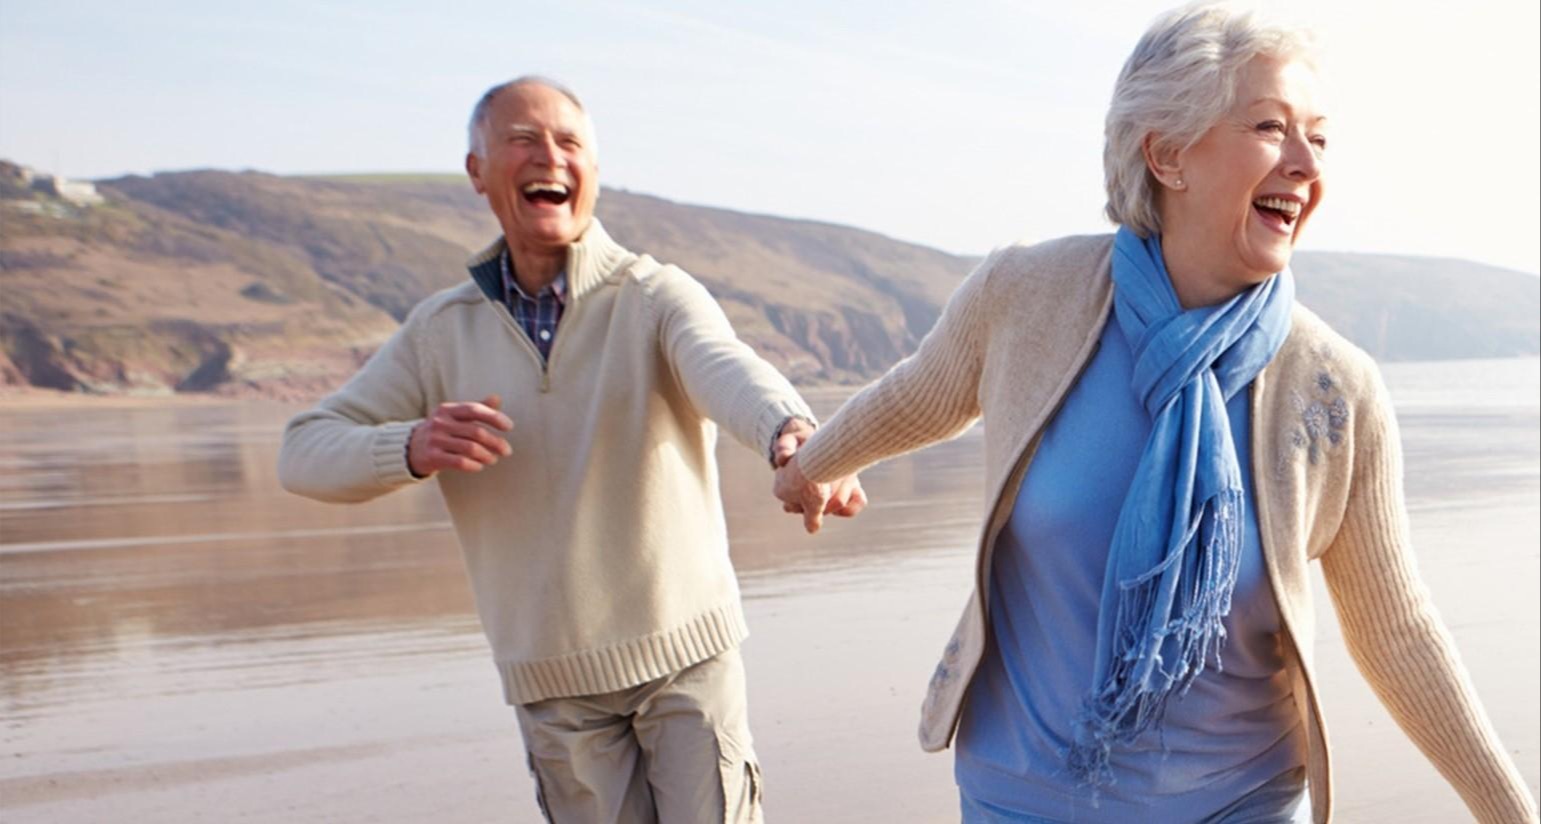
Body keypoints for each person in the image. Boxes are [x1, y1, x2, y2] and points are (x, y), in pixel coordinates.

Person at [773, 4, 1538, 823]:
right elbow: (918, 396)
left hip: (1234, 802)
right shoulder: (1027, 297)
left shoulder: (1333, 390)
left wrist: (1509, 813)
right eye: (1270, 126)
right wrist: (812, 466)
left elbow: (1397, 632)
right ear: (1167, 153)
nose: (1303, 162)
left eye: (1318, 137)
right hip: (1016, 795)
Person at [278, 76, 863, 824]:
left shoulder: (654, 295)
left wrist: (791, 437)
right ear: (478, 172)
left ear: (592, 169)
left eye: (568, 142)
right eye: (522, 139)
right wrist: (414, 445)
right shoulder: (440, 331)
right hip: (551, 683)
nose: (547, 155)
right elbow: (302, 451)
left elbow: (726, 367)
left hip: (686, 659)